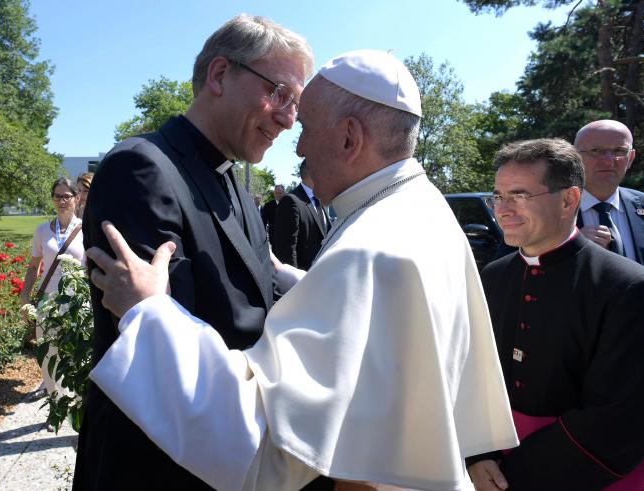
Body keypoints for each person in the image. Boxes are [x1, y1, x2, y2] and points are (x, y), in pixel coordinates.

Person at [87, 49, 517, 491]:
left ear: (349, 138)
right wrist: (292, 278)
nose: (299, 146)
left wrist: (149, 312)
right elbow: (373, 318)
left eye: (308, 127)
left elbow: (266, 447)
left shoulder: (368, 249)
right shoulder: (423, 210)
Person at [73, 14, 315, 490]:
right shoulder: (140, 168)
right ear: (220, 75)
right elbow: (156, 337)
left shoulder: (236, 183)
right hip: (154, 464)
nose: (288, 119)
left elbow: (259, 296)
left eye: (296, 105)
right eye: (280, 94)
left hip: (219, 451)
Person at [467, 139, 644, 490]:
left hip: (587, 473)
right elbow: (472, 376)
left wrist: (518, 474)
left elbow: (628, 413)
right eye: (498, 196)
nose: (503, 210)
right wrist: (478, 455)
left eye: (520, 195)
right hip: (495, 468)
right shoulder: (493, 276)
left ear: (569, 199)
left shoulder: (631, 286)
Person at [19, 177, 84, 399]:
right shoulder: (42, 230)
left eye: (67, 196)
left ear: (77, 198)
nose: (62, 201)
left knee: (78, 355)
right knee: (48, 354)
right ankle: (55, 400)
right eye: (57, 196)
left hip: (78, 301)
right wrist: (24, 296)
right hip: (48, 300)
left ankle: (77, 401)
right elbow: (33, 267)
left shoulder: (87, 229)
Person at [574, 120, 644, 273]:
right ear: (575, 157)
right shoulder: (548, 212)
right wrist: (569, 248)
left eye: (619, 151)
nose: (608, 161)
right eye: (596, 150)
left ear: (631, 158)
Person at [274, 159, 330, 270]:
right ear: (314, 172)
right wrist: (295, 279)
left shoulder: (319, 199)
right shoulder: (290, 201)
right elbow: (286, 250)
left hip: (323, 272)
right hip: (304, 276)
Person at [260, 183, 285, 249]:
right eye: (276, 193)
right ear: (274, 193)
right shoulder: (268, 205)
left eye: (280, 193)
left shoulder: (289, 205)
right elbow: (263, 222)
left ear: (284, 193)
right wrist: (263, 237)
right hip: (273, 238)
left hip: (287, 238)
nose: (278, 195)